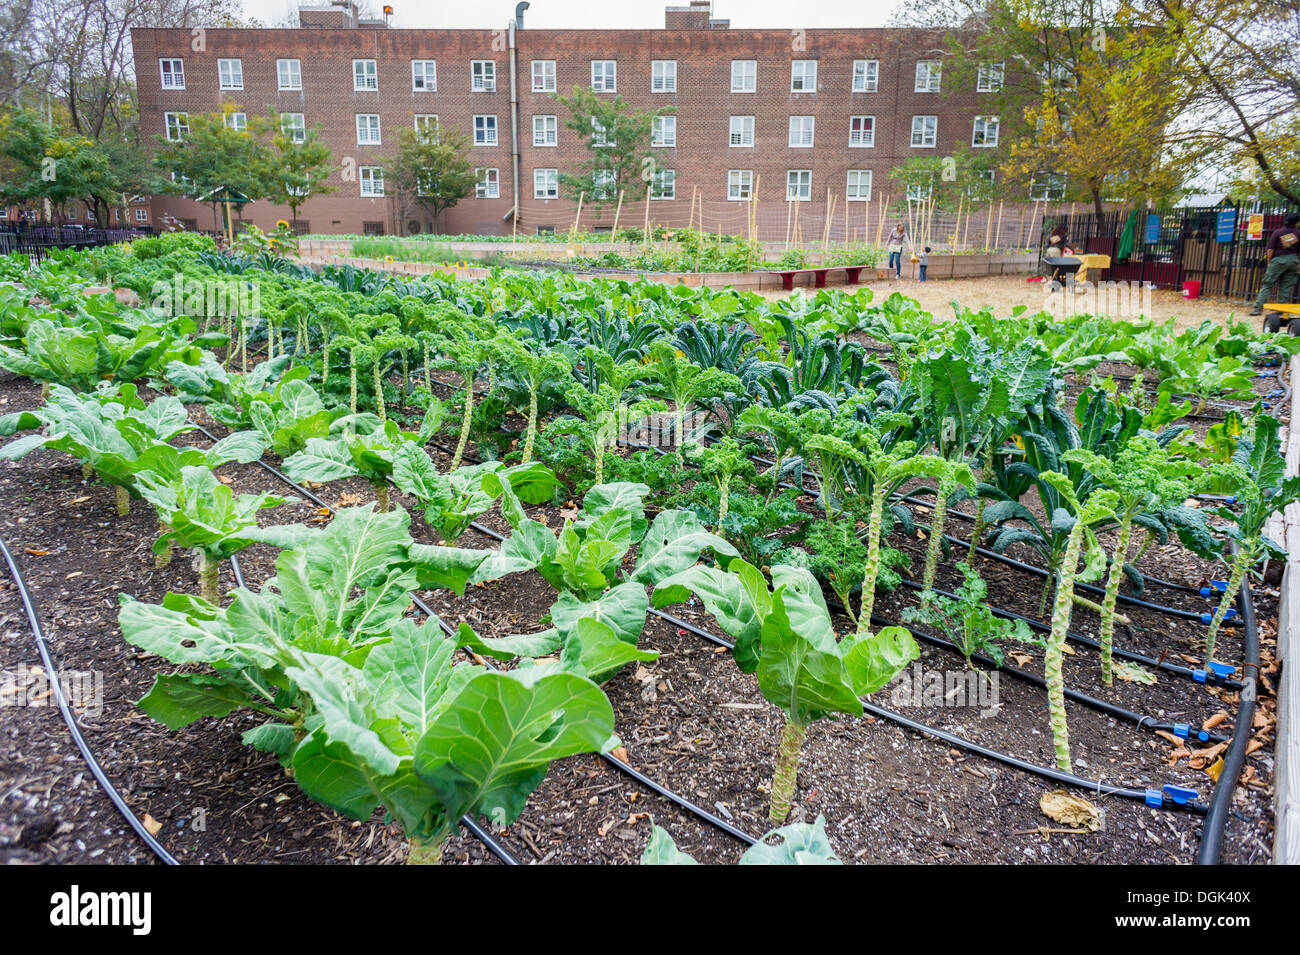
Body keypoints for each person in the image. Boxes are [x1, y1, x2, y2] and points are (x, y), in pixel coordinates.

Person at [1250, 213, 1300, 316]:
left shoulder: (1278, 232)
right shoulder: (1298, 233)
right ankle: (1282, 309)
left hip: (1279, 260)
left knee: (1268, 283)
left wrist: (1269, 262)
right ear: (1296, 223)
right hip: (1294, 261)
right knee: (1286, 286)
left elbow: (1270, 249)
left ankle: (1258, 308)